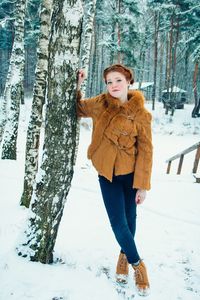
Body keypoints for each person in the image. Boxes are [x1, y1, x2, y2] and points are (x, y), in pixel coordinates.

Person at [76, 64, 153, 296]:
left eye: (118, 80)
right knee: (118, 223)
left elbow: (146, 150)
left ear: (128, 81)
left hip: (130, 176)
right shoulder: (101, 103)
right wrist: (78, 84)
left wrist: (142, 185)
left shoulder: (141, 113)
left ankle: (123, 256)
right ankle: (138, 265)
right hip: (106, 175)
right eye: (109, 82)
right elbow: (79, 108)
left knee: (130, 221)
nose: (113, 86)